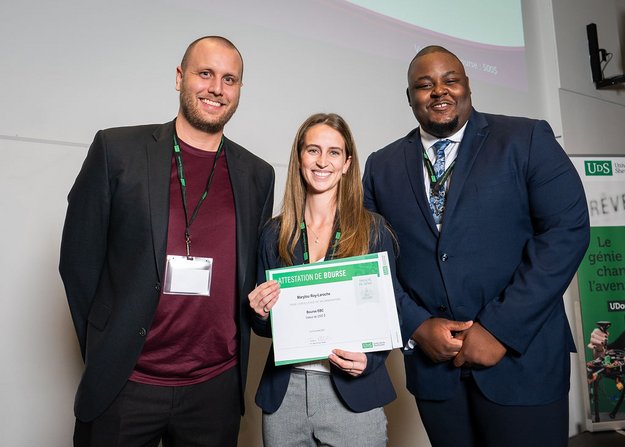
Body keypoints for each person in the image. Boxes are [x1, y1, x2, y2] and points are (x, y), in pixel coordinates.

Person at [362, 45, 590, 447]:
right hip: (436, 375)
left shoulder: (526, 138)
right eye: (424, 85)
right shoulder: (382, 165)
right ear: (410, 96)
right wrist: (415, 324)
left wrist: (499, 330)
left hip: (523, 363)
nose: (439, 92)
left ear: (467, 86)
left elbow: (566, 232)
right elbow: (372, 261)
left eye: (450, 80)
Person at [59, 36, 275, 446]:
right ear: (180, 78)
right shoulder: (117, 150)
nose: (216, 88)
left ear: (239, 91)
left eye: (229, 79)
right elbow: (78, 262)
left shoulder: (258, 175)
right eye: (205, 73)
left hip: (214, 388)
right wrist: (108, 343)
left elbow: (252, 277)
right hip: (126, 382)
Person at [247, 113, 399, 446]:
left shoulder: (373, 230)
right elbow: (263, 328)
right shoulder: (274, 233)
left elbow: (390, 314)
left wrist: (369, 361)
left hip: (352, 394)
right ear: (299, 158)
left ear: (347, 163)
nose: (322, 161)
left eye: (333, 152)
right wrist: (259, 312)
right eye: (313, 150)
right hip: (284, 396)